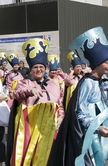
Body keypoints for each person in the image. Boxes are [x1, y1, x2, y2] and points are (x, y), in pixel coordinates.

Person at [49, 27, 108, 166]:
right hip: (91, 136)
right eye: (106, 62)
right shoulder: (87, 83)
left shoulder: (104, 81)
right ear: (97, 64)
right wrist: (97, 127)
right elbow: (80, 112)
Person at [6, 38, 65, 166]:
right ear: (31, 69)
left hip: (49, 130)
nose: (39, 70)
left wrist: (60, 118)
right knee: (29, 158)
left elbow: (60, 105)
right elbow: (16, 94)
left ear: (46, 68)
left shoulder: (53, 85)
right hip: (29, 128)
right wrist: (30, 90)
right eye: (35, 67)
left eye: (41, 67)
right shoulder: (25, 82)